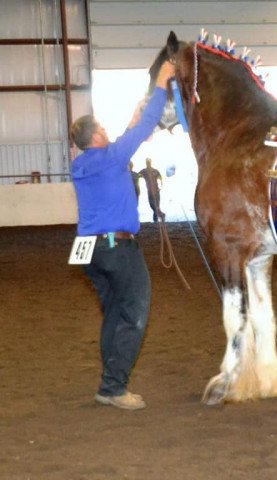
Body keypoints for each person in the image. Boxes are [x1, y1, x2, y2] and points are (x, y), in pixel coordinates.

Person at [69, 61, 175, 410]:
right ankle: (113, 387)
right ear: (97, 136)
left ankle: (109, 382)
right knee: (134, 313)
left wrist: (133, 115)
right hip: (117, 247)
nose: (106, 130)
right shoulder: (111, 157)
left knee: (113, 314)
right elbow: (143, 128)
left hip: (87, 250)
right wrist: (161, 83)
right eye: (102, 127)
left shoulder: (83, 164)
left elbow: (128, 134)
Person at [139, 158, 165, 222]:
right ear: (146, 163)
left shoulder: (155, 171)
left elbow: (161, 179)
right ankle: (159, 216)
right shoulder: (144, 171)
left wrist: (160, 187)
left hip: (156, 190)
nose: (148, 163)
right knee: (153, 205)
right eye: (147, 162)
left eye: (148, 162)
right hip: (150, 191)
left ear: (150, 162)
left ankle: (157, 219)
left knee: (155, 205)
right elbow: (137, 176)